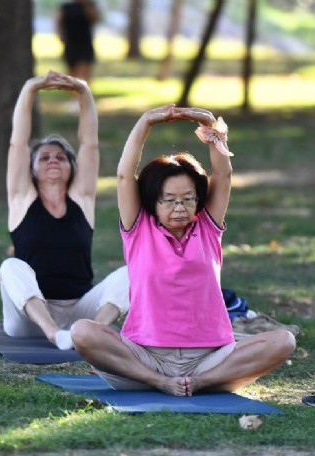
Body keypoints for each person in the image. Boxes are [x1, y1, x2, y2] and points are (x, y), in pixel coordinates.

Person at [70, 105, 295, 395]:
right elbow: (125, 175)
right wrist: (145, 122)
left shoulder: (207, 227)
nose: (180, 208)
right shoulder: (139, 229)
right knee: (82, 332)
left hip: (210, 363)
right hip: (143, 360)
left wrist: (208, 123)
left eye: (188, 199)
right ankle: (160, 383)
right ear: (153, 202)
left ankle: (198, 384)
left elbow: (223, 175)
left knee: (284, 341)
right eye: (170, 200)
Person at [0, 70, 129, 350]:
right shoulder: (21, 199)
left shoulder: (82, 199)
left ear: (72, 167)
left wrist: (83, 91)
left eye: (60, 157)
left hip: (80, 314)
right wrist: (31, 87)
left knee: (135, 271)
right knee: (11, 266)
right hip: (28, 318)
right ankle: (53, 333)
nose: (53, 161)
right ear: (31, 169)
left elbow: (90, 143)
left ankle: (94, 331)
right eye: (44, 158)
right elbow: (18, 143)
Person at [56, 0, 100, 82]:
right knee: (71, 72)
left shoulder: (89, 5)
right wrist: (60, 36)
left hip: (85, 44)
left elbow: (94, 18)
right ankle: (73, 93)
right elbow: (58, 22)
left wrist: (86, 5)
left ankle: (84, 91)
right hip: (70, 43)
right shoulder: (66, 7)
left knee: (85, 69)